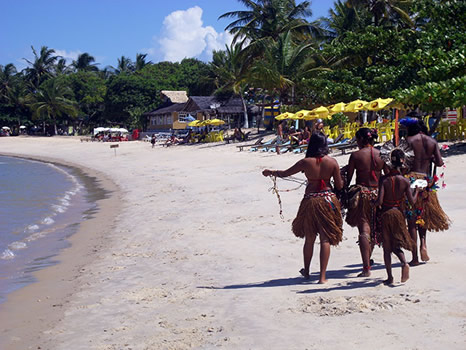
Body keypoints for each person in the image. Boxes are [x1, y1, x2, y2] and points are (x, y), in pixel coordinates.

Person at [262, 132, 343, 283]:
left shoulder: (305, 162)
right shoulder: (332, 162)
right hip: (328, 199)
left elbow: (285, 173)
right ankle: (322, 277)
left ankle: (306, 272)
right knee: (325, 239)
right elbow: (339, 185)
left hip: (311, 201)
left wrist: (270, 172)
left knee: (310, 238)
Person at [400, 117, 450, 265]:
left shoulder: (408, 141)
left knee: (412, 219)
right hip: (426, 181)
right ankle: (423, 243)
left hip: (411, 181)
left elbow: (403, 164)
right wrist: (431, 158)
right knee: (423, 213)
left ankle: (415, 257)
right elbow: (440, 162)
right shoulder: (432, 141)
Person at [374, 149, 419, 285]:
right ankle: (404, 262)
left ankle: (390, 277)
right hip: (398, 214)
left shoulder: (384, 179)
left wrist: (373, 203)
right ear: (403, 162)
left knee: (387, 248)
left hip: (386, 214)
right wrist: (416, 191)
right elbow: (412, 202)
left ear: (389, 162)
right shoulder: (404, 181)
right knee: (397, 243)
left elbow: (380, 201)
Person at [345, 128, 385, 277]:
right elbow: (387, 174)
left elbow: (348, 178)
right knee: (374, 228)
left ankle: (366, 267)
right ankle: (367, 259)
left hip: (362, 195)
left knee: (364, 230)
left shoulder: (356, 155)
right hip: (378, 194)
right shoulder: (381, 154)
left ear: (361, 140)